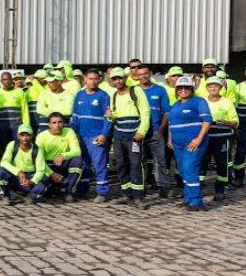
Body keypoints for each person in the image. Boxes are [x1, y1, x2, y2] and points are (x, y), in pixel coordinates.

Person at [107, 67, 150, 206]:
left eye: (120, 78)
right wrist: (110, 116)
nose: (117, 81)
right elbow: (114, 117)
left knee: (136, 164)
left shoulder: (136, 91)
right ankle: (127, 194)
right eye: (114, 79)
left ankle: (138, 196)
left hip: (134, 135)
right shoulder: (113, 95)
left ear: (125, 78)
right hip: (119, 136)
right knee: (120, 164)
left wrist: (141, 131)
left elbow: (145, 112)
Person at [167, 77, 212, 211]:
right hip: (177, 144)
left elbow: (207, 121)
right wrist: (170, 139)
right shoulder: (175, 105)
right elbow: (171, 124)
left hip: (193, 143)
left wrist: (198, 139)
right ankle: (188, 199)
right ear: (176, 90)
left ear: (191, 89)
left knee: (189, 169)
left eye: (186, 88)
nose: (183, 90)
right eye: (180, 88)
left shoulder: (199, 101)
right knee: (182, 171)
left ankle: (197, 202)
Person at [71, 69, 112, 202]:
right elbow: (75, 116)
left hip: (96, 137)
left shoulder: (103, 96)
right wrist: (73, 133)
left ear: (99, 80)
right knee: (84, 164)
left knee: (99, 164)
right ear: (85, 79)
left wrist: (104, 134)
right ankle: (82, 189)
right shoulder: (79, 96)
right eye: (90, 79)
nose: (93, 81)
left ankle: (102, 192)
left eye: (95, 79)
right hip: (81, 136)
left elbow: (108, 118)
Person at [31, 113, 84, 203]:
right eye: (54, 123)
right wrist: (51, 174)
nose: (57, 125)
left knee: (78, 161)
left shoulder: (69, 132)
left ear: (63, 123)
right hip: (47, 166)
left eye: (60, 122)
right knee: (40, 187)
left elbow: (77, 152)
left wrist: (63, 155)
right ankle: (53, 189)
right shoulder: (41, 136)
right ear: (49, 125)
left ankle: (69, 192)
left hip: (63, 164)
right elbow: (39, 161)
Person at [136, 65, 171, 198]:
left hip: (156, 131)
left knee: (160, 160)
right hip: (139, 132)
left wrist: (161, 129)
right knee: (140, 161)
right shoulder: (134, 90)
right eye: (140, 74)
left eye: (145, 73)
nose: (143, 76)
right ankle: (142, 186)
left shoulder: (160, 90)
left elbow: (166, 112)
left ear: (150, 74)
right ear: (136, 76)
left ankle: (163, 186)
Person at [202, 76, 237, 201]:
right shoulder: (202, 101)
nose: (213, 88)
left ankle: (220, 190)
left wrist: (225, 123)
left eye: (216, 86)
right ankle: (198, 188)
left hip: (223, 138)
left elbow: (235, 122)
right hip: (205, 137)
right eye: (210, 86)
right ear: (206, 88)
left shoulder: (227, 102)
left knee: (222, 164)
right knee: (202, 163)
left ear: (220, 88)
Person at [0, 124, 47, 205]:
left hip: (29, 178)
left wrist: (31, 181)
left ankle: (29, 196)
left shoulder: (38, 150)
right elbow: (4, 162)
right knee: (0, 172)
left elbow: (40, 171)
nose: (25, 138)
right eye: (22, 135)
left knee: (41, 188)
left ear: (32, 136)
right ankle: (6, 195)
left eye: (28, 135)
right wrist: (18, 172)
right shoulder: (12, 145)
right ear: (18, 136)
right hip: (15, 177)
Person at [0, 71, 29, 164]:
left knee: (17, 147)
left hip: (17, 127)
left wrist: (26, 126)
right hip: (3, 127)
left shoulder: (19, 92)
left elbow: (24, 110)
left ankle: (19, 166)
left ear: (12, 80)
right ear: (1, 81)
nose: (6, 81)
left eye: (8, 79)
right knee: (4, 148)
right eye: (4, 79)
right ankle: (5, 167)